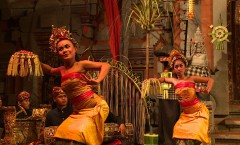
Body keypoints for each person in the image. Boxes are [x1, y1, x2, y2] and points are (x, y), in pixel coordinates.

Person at [41, 25, 110, 144]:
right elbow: (50, 70)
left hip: (95, 108)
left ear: (75, 48)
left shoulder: (81, 65)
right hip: (78, 112)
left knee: (79, 134)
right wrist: (35, 60)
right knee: (61, 134)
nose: (65, 50)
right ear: (58, 53)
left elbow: (106, 65)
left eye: (67, 46)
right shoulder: (61, 70)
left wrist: (97, 80)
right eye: (61, 49)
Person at [158, 49, 214, 145]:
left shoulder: (191, 79)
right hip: (186, 115)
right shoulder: (174, 80)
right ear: (174, 69)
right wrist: (151, 81)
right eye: (176, 67)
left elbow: (210, 80)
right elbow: (162, 79)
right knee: (177, 130)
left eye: (181, 66)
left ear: (185, 67)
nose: (179, 68)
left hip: (198, 112)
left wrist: (207, 90)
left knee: (196, 134)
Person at [154, 49, 180, 145]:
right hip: (163, 96)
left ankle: (171, 141)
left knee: (172, 118)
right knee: (163, 118)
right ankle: (164, 140)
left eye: (165, 57)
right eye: (161, 57)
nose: (162, 59)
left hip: (173, 97)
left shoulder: (176, 69)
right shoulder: (163, 71)